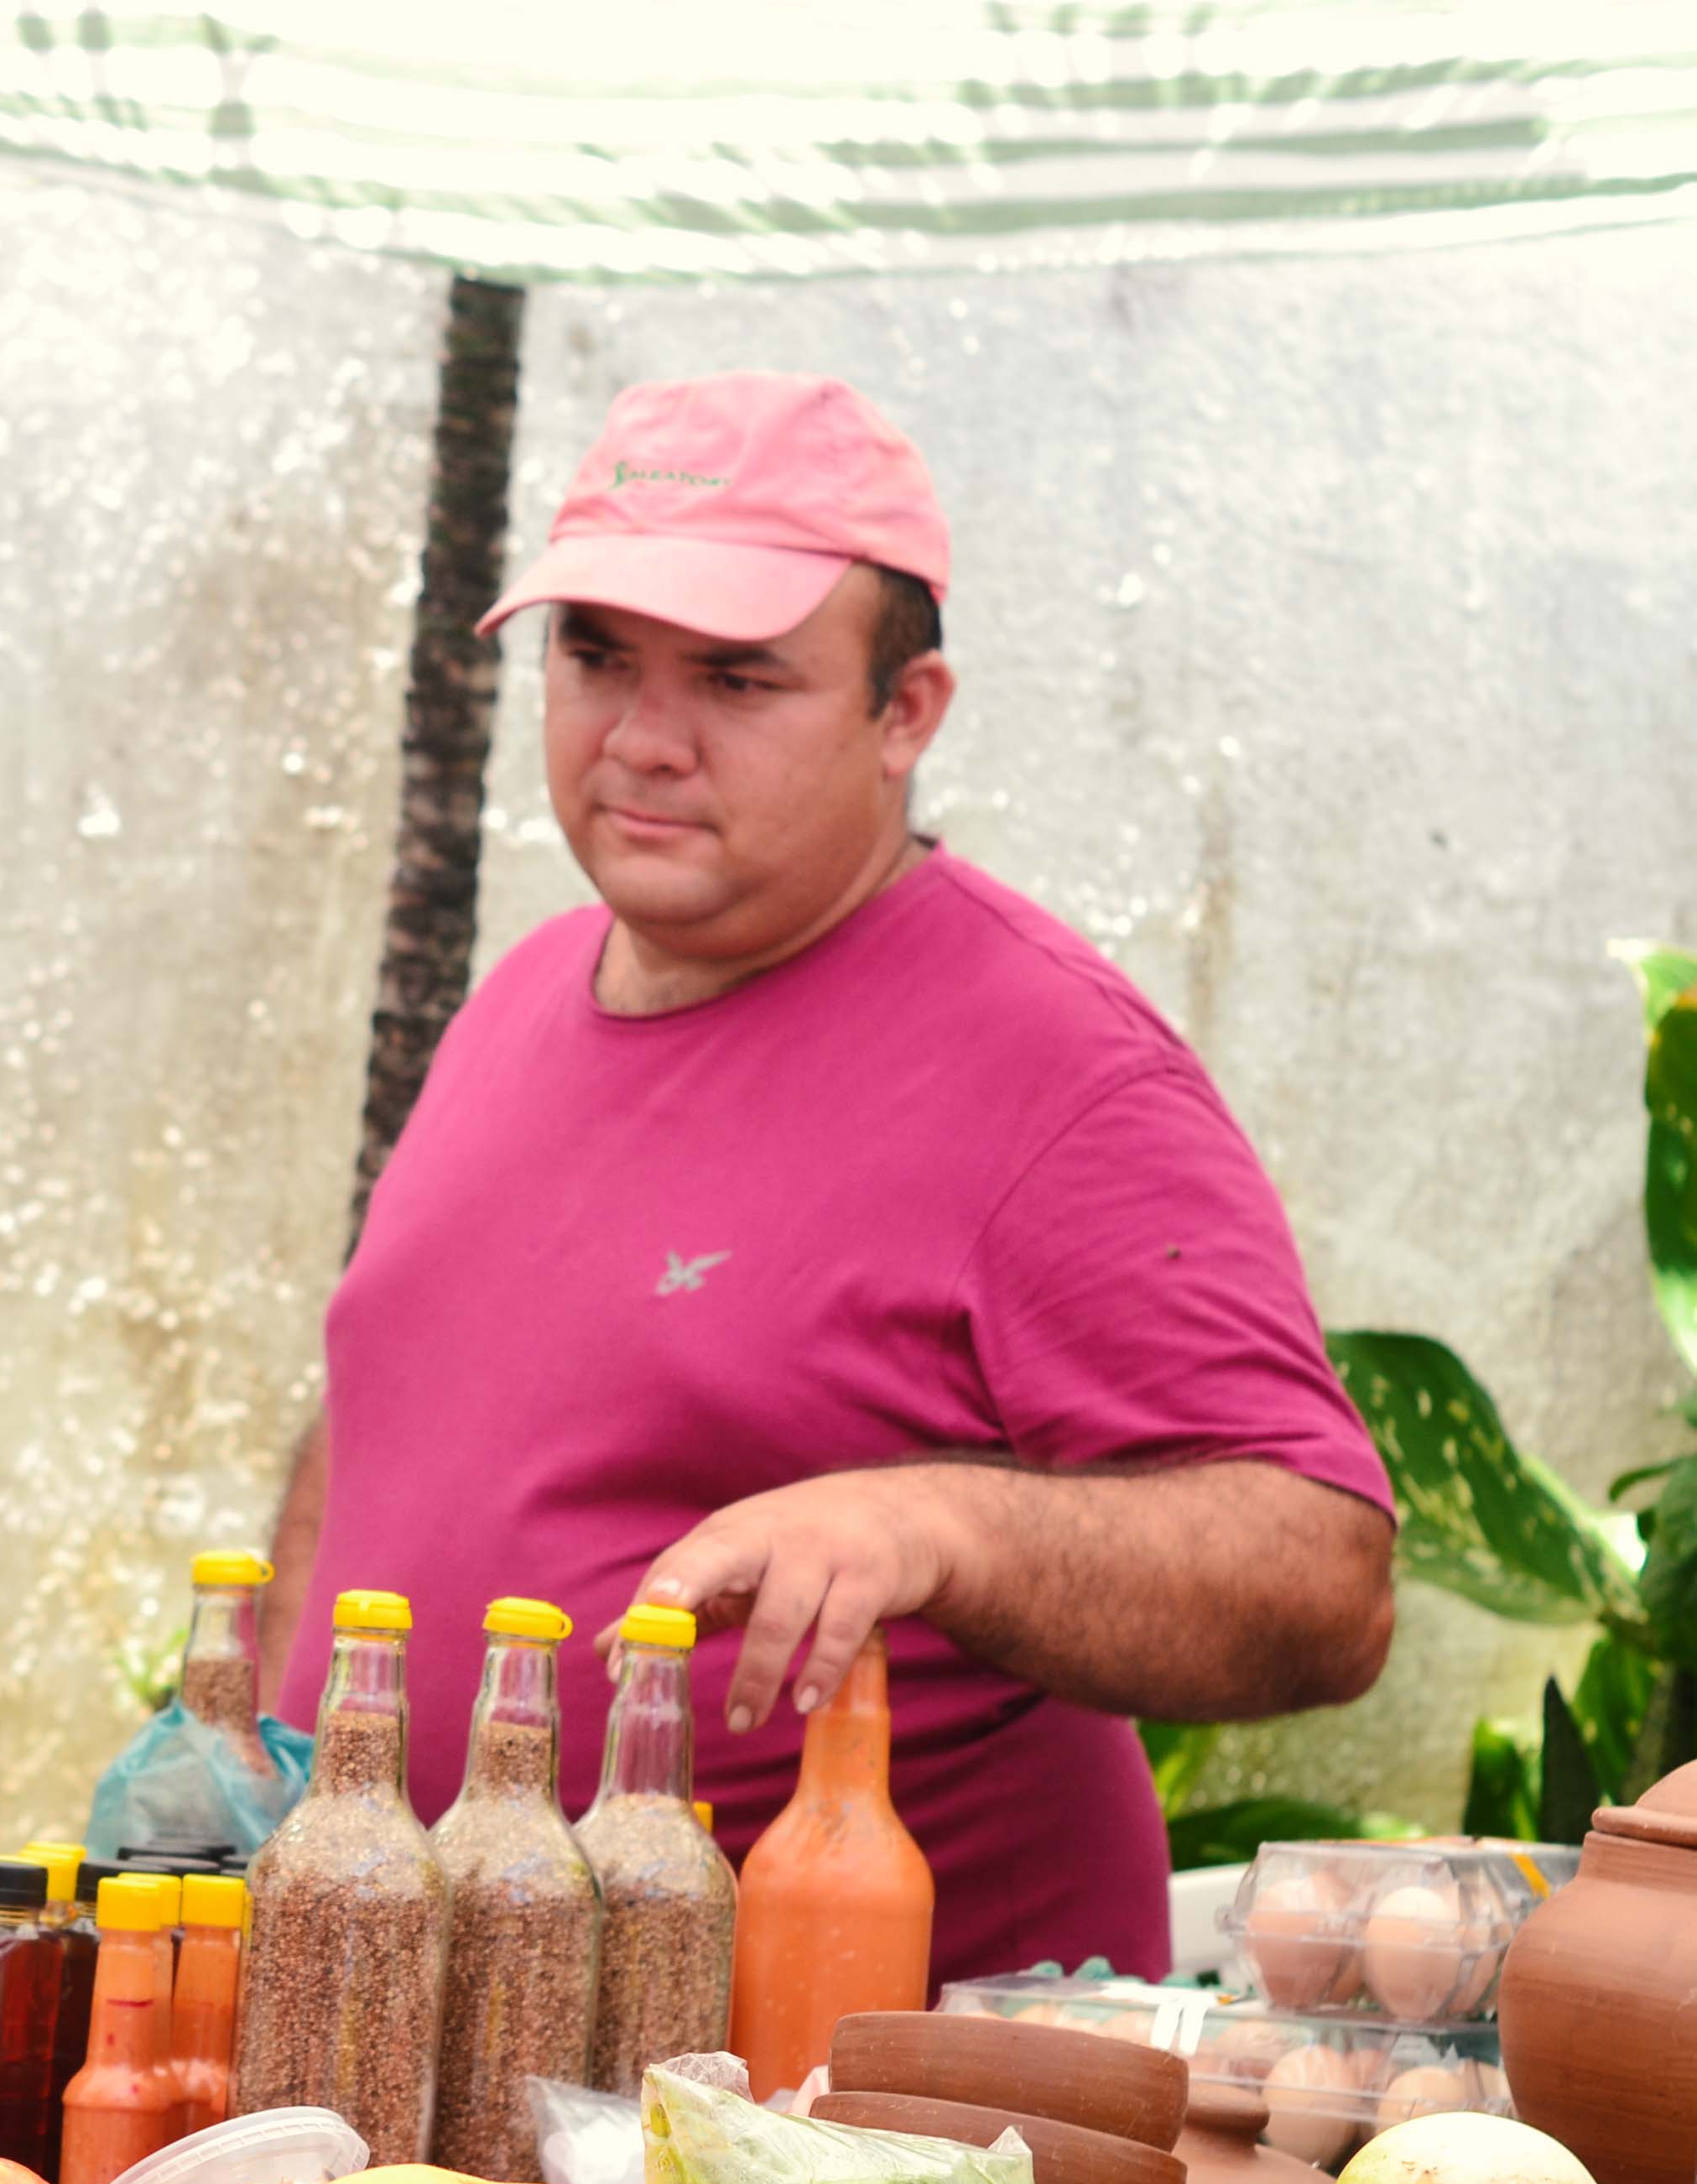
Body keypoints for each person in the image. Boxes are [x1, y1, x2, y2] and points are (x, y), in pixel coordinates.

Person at [258, 372, 1393, 1986]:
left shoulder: (1050, 1068)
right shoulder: (520, 993)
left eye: (736, 678)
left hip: (847, 2100)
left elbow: (1323, 1577)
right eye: (596, 656)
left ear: (903, 712)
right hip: (437, 2043)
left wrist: (940, 1522)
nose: (642, 740)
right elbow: (380, 1407)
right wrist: (253, 1753)